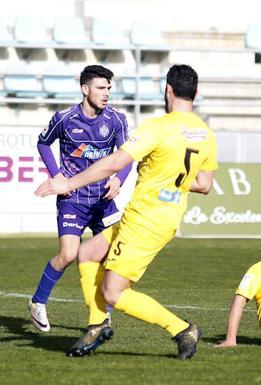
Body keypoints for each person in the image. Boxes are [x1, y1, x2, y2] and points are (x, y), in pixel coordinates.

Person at [35, 64, 217, 360]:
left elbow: (112, 164)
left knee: (113, 293)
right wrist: (163, 174)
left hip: (145, 222)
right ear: (195, 93)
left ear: (168, 90)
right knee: (87, 252)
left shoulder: (158, 127)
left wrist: (67, 182)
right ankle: (96, 325)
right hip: (160, 217)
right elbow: (204, 184)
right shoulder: (206, 134)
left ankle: (182, 329)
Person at [29, 65, 132, 333]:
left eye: (109, 88)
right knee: (68, 254)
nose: (106, 93)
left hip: (103, 200)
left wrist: (118, 178)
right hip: (73, 199)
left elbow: (127, 156)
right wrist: (58, 177)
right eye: (101, 88)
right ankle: (38, 302)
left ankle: (101, 313)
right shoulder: (65, 118)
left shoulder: (117, 120)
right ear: (85, 89)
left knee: (113, 258)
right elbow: (43, 143)